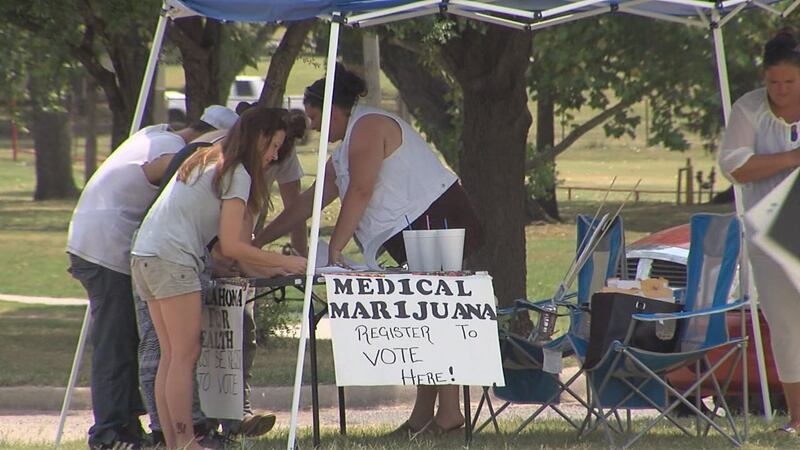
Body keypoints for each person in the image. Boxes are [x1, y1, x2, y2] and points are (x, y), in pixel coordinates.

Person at [253, 64, 484, 437]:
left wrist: (336, 249)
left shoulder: (368, 127)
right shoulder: (346, 147)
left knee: (436, 319)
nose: (312, 126)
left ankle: (449, 414)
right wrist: (258, 241)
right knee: (423, 323)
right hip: (415, 227)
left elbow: (360, 190)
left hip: (435, 219)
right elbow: (311, 201)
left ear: (333, 109)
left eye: (314, 117)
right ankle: (423, 417)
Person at [130, 106, 307, 450]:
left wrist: (273, 267)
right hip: (173, 259)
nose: (275, 155)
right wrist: (288, 261)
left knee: (171, 356)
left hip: (145, 255)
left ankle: (175, 442)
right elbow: (232, 246)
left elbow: (232, 250)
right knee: (184, 355)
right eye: (274, 146)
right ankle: (185, 441)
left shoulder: (206, 157)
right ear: (259, 138)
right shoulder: (237, 172)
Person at [67, 105, 239, 450]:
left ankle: (129, 426)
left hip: (96, 242)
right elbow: (159, 173)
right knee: (116, 342)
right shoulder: (171, 149)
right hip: (107, 247)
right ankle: (110, 433)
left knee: (134, 342)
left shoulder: (154, 135)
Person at [718, 29, 800, 434]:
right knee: (785, 326)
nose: (781, 90)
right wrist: (792, 158)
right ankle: (798, 418)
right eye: (774, 81)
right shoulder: (748, 109)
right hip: (767, 232)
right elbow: (736, 167)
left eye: (790, 81)